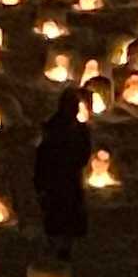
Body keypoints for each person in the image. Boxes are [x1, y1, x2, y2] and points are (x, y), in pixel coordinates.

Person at [34, 88, 92, 262]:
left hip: (70, 178)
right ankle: (53, 248)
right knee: (56, 213)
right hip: (55, 178)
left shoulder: (79, 130)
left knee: (69, 214)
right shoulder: (53, 129)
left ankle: (64, 248)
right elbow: (43, 156)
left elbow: (84, 153)